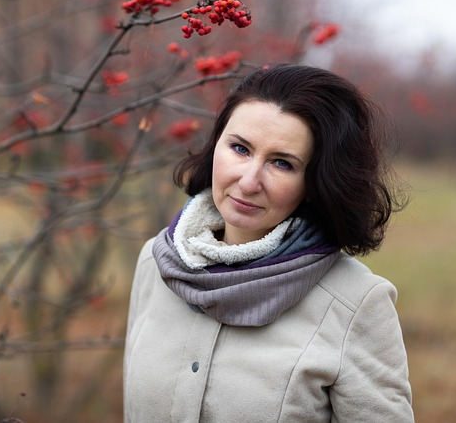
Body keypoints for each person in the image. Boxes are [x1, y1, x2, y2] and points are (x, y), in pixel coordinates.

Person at [123, 63, 414, 422]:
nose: (248, 182)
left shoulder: (356, 304)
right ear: (216, 145)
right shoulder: (154, 263)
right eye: (240, 148)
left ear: (316, 182)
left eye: (282, 163)